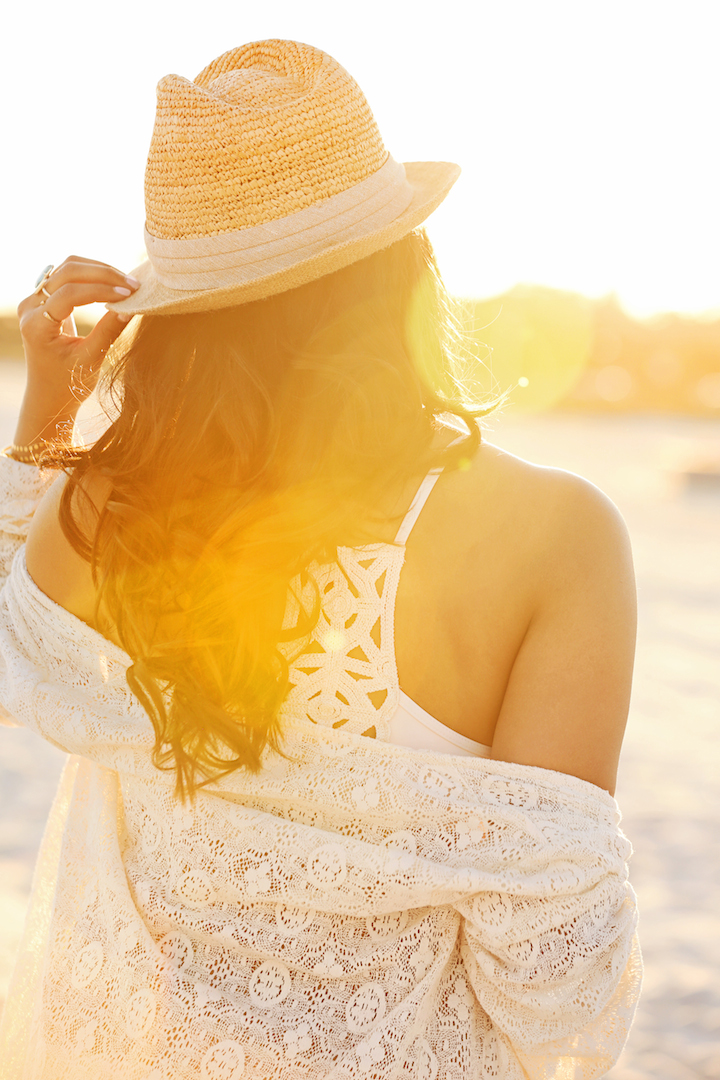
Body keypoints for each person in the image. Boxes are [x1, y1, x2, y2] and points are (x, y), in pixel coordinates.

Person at [0, 40, 641, 1080]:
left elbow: (14, 652)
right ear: (405, 265)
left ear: (178, 317)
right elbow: (556, 978)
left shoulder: (113, 506)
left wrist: (50, 410)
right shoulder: (553, 535)